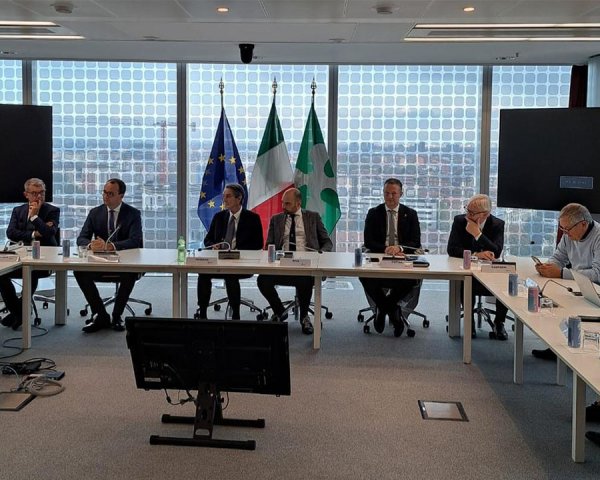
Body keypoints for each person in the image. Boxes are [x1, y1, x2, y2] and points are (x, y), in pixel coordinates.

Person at [529, 203, 600, 423]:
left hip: (595, 291)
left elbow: (597, 274)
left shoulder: (599, 236)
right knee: (557, 306)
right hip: (578, 287)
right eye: (562, 229)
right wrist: (548, 267)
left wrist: (561, 273)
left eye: (568, 229)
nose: (565, 233)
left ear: (583, 224)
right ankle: (557, 348)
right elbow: (558, 257)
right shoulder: (569, 234)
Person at [257, 187, 332, 335]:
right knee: (262, 280)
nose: (283, 206)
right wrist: (271, 254)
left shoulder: (313, 217)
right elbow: (269, 244)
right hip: (281, 264)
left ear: (298, 203)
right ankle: (280, 311)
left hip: (306, 265)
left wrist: (320, 255)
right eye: (282, 203)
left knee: (305, 281)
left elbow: (327, 242)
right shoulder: (276, 219)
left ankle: (304, 317)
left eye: (287, 203)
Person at [75, 178, 143, 333]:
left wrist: (111, 246)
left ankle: (117, 316)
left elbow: (135, 240)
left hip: (125, 263)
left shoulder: (132, 214)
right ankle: (100, 315)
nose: (106, 196)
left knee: (130, 274)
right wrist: (91, 244)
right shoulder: (95, 213)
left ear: (121, 196)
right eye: (104, 192)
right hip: (99, 262)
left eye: (110, 194)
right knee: (79, 272)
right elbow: (81, 238)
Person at [358, 178, 421, 337]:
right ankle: (393, 310)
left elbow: (415, 242)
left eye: (394, 193)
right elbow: (368, 241)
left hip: (402, 258)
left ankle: (383, 308)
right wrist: (385, 248)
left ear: (401, 194)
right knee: (364, 275)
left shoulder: (410, 214)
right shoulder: (374, 213)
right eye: (387, 193)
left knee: (412, 278)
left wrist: (399, 248)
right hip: (380, 256)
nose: (390, 197)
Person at [447, 194, 509, 340]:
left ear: (485, 214)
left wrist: (477, 234)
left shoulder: (497, 224)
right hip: (468, 269)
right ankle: (469, 321)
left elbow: (496, 252)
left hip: (490, 272)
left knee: (506, 282)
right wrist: (476, 255)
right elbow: (452, 249)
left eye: (472, 213)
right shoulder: (459, 221)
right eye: (467, 210)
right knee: (466, 282)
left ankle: (499, 322)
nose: (467, 215)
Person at [197, 183, 263, 320]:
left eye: (228, 196)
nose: (224, 200)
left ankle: (236, 315)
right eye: (224, 196)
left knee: (231, 275)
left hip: (242, 262)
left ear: (239, 198)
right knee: (203, 274)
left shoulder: (252, 218)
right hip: (219, 261)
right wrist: (214, 246)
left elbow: (258, 244)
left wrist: (238, 252)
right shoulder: (219, 217)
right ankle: (202, 313)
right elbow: (207, 240)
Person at [0, 178, 59, 330]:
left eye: (42, 193)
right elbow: (11, 233)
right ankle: (18, 311)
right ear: (26, 194)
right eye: (34, 193)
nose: (38, 196)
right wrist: (33, 234)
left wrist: (34, 217)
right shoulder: (18, 210)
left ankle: (18, 313)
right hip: (19, 256)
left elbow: (48, 233)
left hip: (44, 260)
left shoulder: (52, 211)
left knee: (30, 271)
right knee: (1, 276)